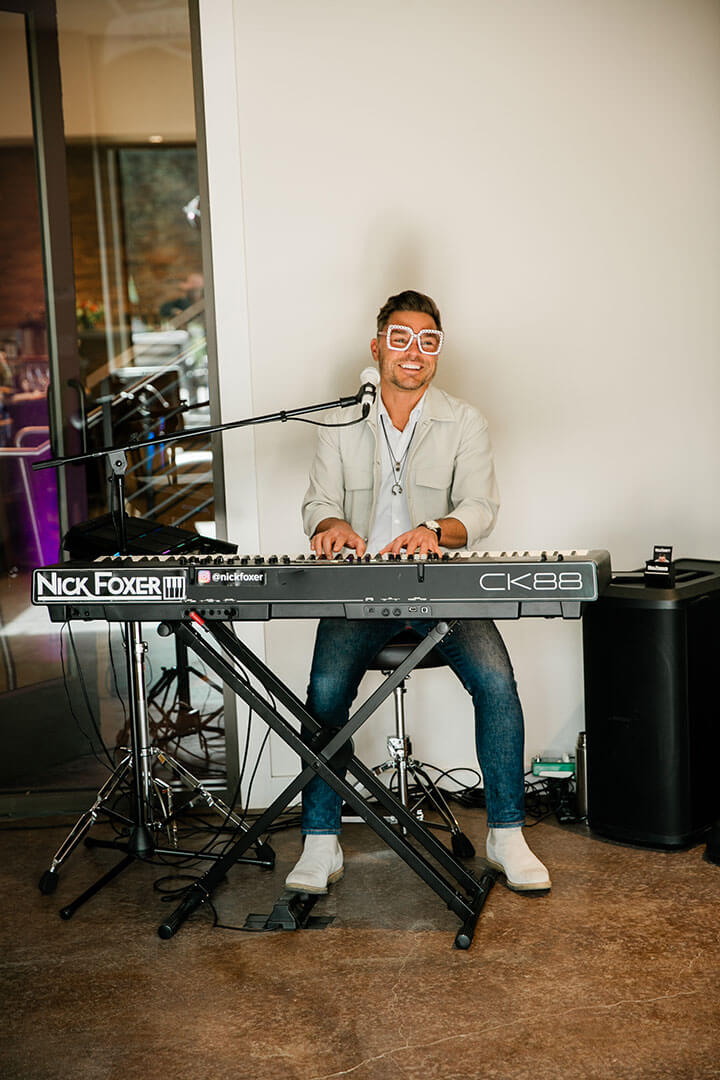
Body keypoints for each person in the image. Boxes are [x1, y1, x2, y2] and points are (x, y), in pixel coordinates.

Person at [285, 289, 550, 896]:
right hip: (359, 588)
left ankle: (507, 833)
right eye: (400, 338)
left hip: (442, 590)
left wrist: (434, 530)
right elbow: (318, 502)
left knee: (497, 682)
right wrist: (332, 526)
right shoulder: (339, 420)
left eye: (428, 340)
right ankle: (320, 841)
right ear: (377, 347)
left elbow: (480, 508)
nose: (414, 351)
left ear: (438, 351)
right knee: (324, 692)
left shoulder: (465, 420)